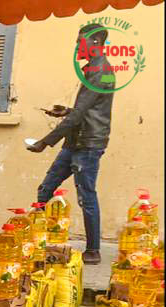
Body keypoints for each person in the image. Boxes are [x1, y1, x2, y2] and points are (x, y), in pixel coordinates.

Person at [27, 24, 115, 265]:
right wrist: (65, 111)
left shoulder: (101, 72)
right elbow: (89, 109)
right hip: (76, 141)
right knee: (46, 188)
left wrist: (45, 142)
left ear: (96, 42)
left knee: (86, 196)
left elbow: (79, 116)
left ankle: (93, 251)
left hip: (88, 144)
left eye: (80, 41)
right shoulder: (95, 70)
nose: (77, 46)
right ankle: (34, 238)